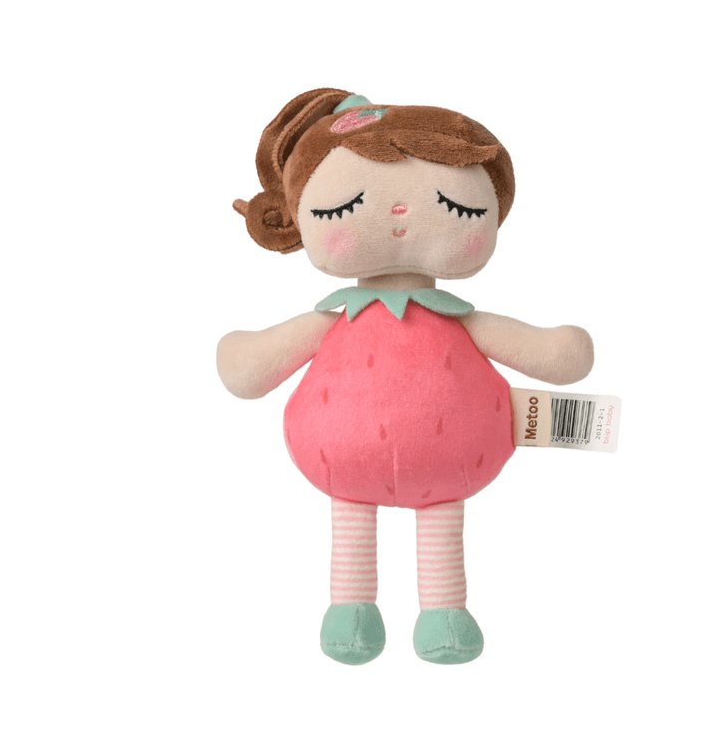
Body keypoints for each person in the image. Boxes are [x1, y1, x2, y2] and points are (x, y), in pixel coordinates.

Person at [217, 89, 594, 665]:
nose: (399, 214)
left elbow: (553, 355)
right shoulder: (333, 319)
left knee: (429, 515)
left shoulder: (458, 322)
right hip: (359, 456)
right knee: (363, 517)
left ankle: (439, 612)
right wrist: (248, 357)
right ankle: (359, 608)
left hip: (420, 453)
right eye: (347, 207)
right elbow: (251, 368)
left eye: (454, 206)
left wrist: (555, 352)